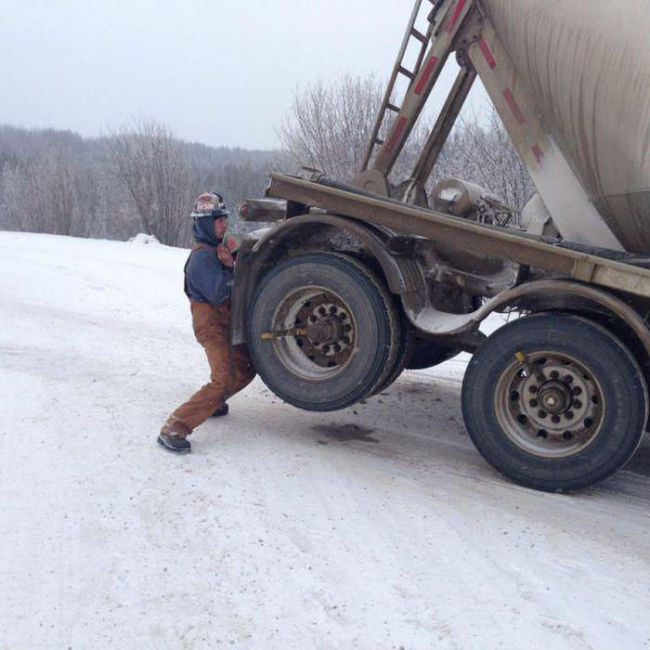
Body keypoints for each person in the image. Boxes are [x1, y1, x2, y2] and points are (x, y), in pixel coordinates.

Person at [158, 192, 256, 453]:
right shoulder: (202, 257)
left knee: (245, 368)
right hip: (212, 327)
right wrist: (229, 267)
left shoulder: (215, 250)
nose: (224, 224)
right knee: (221, 380)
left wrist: (227, 262)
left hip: (224, 324)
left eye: (224, 218)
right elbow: (220, 292)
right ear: (204, 223)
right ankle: (174, 428)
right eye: (218, 220)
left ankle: (212, 402)